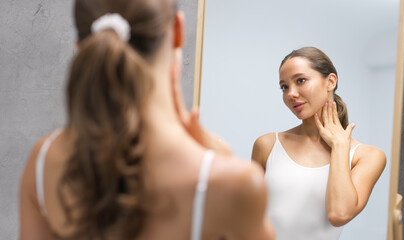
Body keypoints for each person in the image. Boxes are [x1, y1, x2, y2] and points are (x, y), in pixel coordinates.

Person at [19, 0, 274, 239]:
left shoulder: (43, 161)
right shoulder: (230, 184)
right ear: (177, 31)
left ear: (81, 46)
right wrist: (224, 160)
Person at [252, 47, 386, 240]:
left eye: (300, 80)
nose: (291, 93)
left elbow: (339, 214)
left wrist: (340, 146)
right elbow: (248, 217)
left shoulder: (367, 156)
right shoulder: (267, 145)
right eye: (284, 87)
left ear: (330, 82)